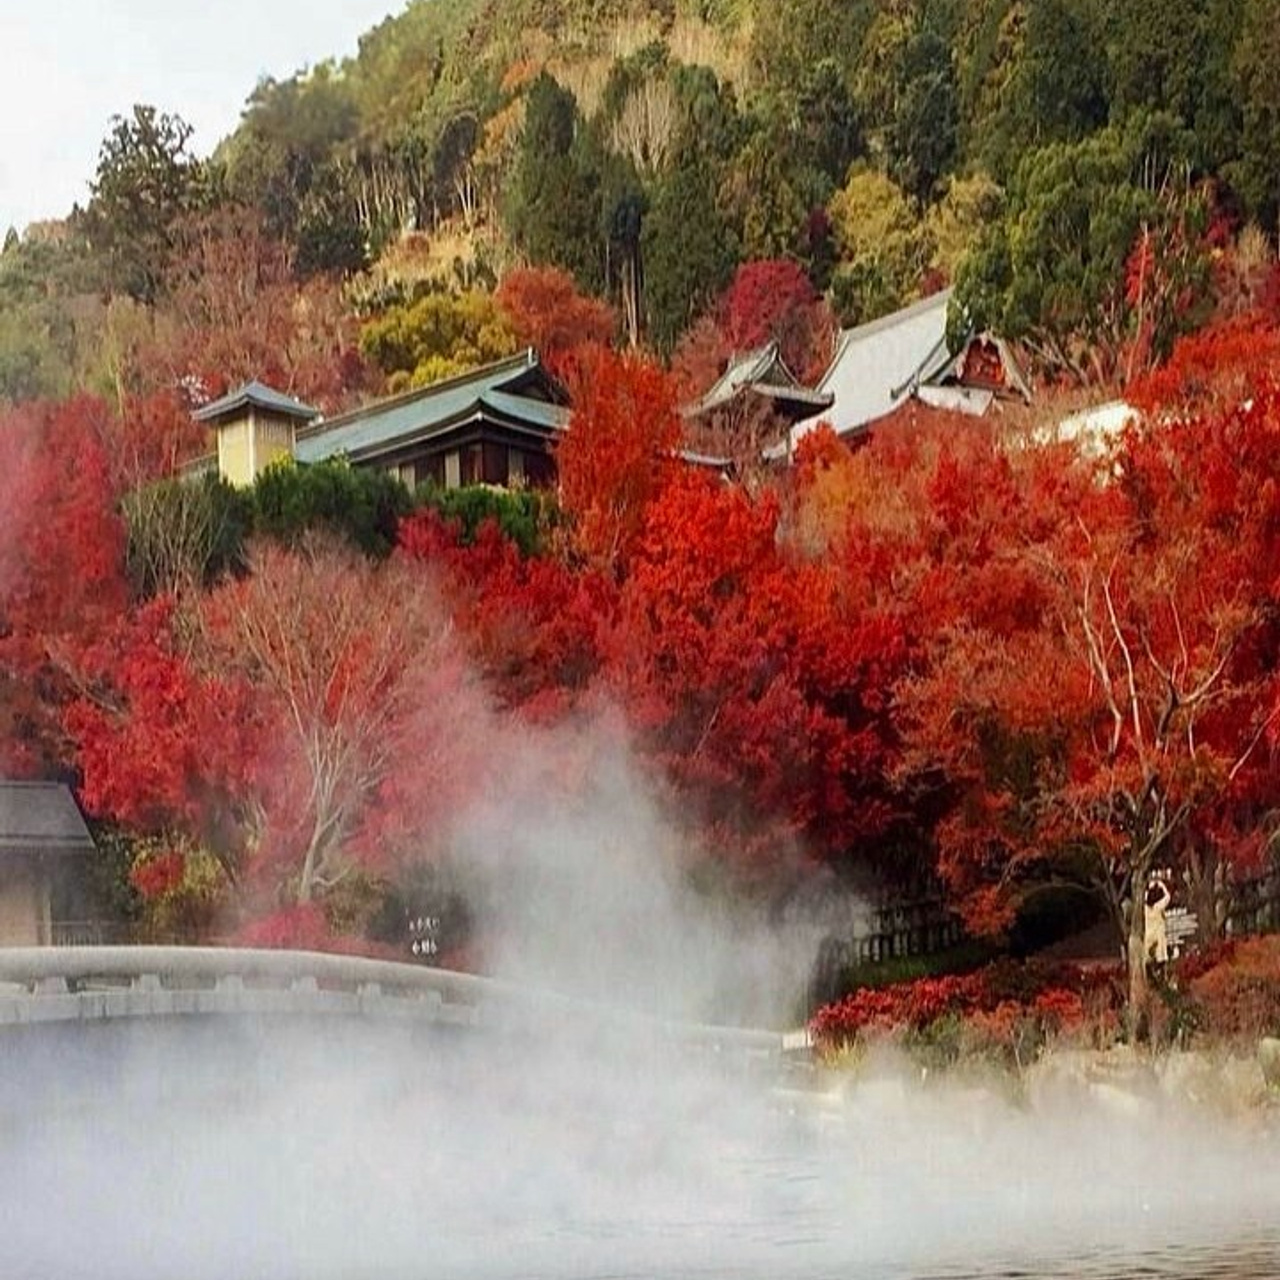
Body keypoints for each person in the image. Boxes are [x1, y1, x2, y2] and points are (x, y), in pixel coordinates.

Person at [1144, 875, 1172, 965]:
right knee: (1160, 959)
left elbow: (1145, 897)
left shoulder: (1145, 909)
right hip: (1158, 936)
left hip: (1148, 936)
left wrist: (1149, 887)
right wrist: (1161, 885)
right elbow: (1168, 897)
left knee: (1148, 958)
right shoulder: (1158, 907)